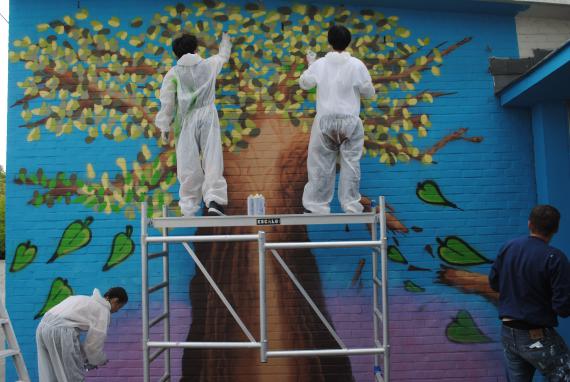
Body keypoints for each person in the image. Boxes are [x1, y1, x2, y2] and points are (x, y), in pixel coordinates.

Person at [299, 24, 375, 214]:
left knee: (321, 164)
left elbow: (305, 83)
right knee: (351, 163)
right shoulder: (357, 65)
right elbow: (369, 92)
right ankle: (351, 205)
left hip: (325, 120)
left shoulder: (320, 64)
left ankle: (317, 205)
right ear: (348, 42)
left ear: (329, 42)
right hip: (350, 120)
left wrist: (310, 65)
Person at [489, 205, 570, 381]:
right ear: (555, 228)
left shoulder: (508, 247)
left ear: (529, 224)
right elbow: (563, 308)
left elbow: (494, 284)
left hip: (508, 333)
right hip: (536, 335)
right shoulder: (555, 258)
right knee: (565, 373)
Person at [155, 32, 231, 216]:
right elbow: (223, 57)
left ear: (176, 54)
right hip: (207, 115)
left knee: (187, 161)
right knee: (212, 156)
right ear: (196, 48)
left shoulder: (173, 73)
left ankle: (189, 205)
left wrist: (164, 126)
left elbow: (167, 102)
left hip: (185, 119)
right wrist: (225, 43)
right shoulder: (209, 65)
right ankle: (214, 201)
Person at [36, 287, 128, 382]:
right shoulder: (103, 310)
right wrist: (100, 359)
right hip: (61, 331)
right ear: (115, 300)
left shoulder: (82, 299)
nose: (117, 311)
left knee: (50, 372)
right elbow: (93, 345)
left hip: (42, 326)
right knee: (72, 374)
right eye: (119, 307)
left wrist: (86, 357)